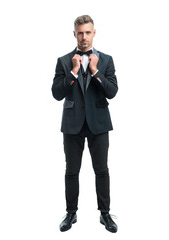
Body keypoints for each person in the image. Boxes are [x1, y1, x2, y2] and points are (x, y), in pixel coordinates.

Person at [51, 15, 118, 233]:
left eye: (88, 32)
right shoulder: (63, 61)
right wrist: (72, 72)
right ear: (74, 34)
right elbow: (56, 94)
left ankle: (105, 214)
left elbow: (112, 91)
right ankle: (71, 213)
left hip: (98, 123)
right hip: (72, 124)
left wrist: (96, 71)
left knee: (102, 171)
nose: (84, 37)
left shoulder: (106, 60)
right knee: (71, 171)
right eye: (80, 33)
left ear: (94, 33)